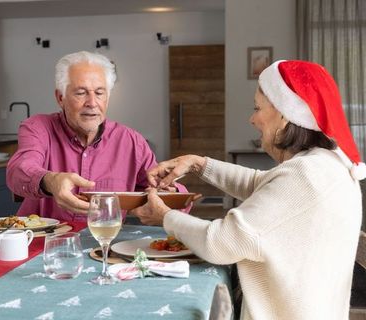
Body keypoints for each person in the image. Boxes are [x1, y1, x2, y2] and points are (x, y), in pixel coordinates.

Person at [133, 60, 365, 319]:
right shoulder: (324, 164)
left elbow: (219, 242)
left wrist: (165, 216)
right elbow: (262, 185)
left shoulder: (305, 176)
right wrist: (198, 164)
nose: (251, 119)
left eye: (257, 108)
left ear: (286, 114)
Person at [6, 51, 187, 222]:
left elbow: (167, 194)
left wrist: (170, 193)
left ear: (107, 97)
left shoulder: (132, 142)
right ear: (60, 97)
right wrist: (50, 181)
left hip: (104, 246)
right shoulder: (38, 128)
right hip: (42, 245)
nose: (92, 103)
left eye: (99, 93)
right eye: (81, 93)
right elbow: (19, 171)